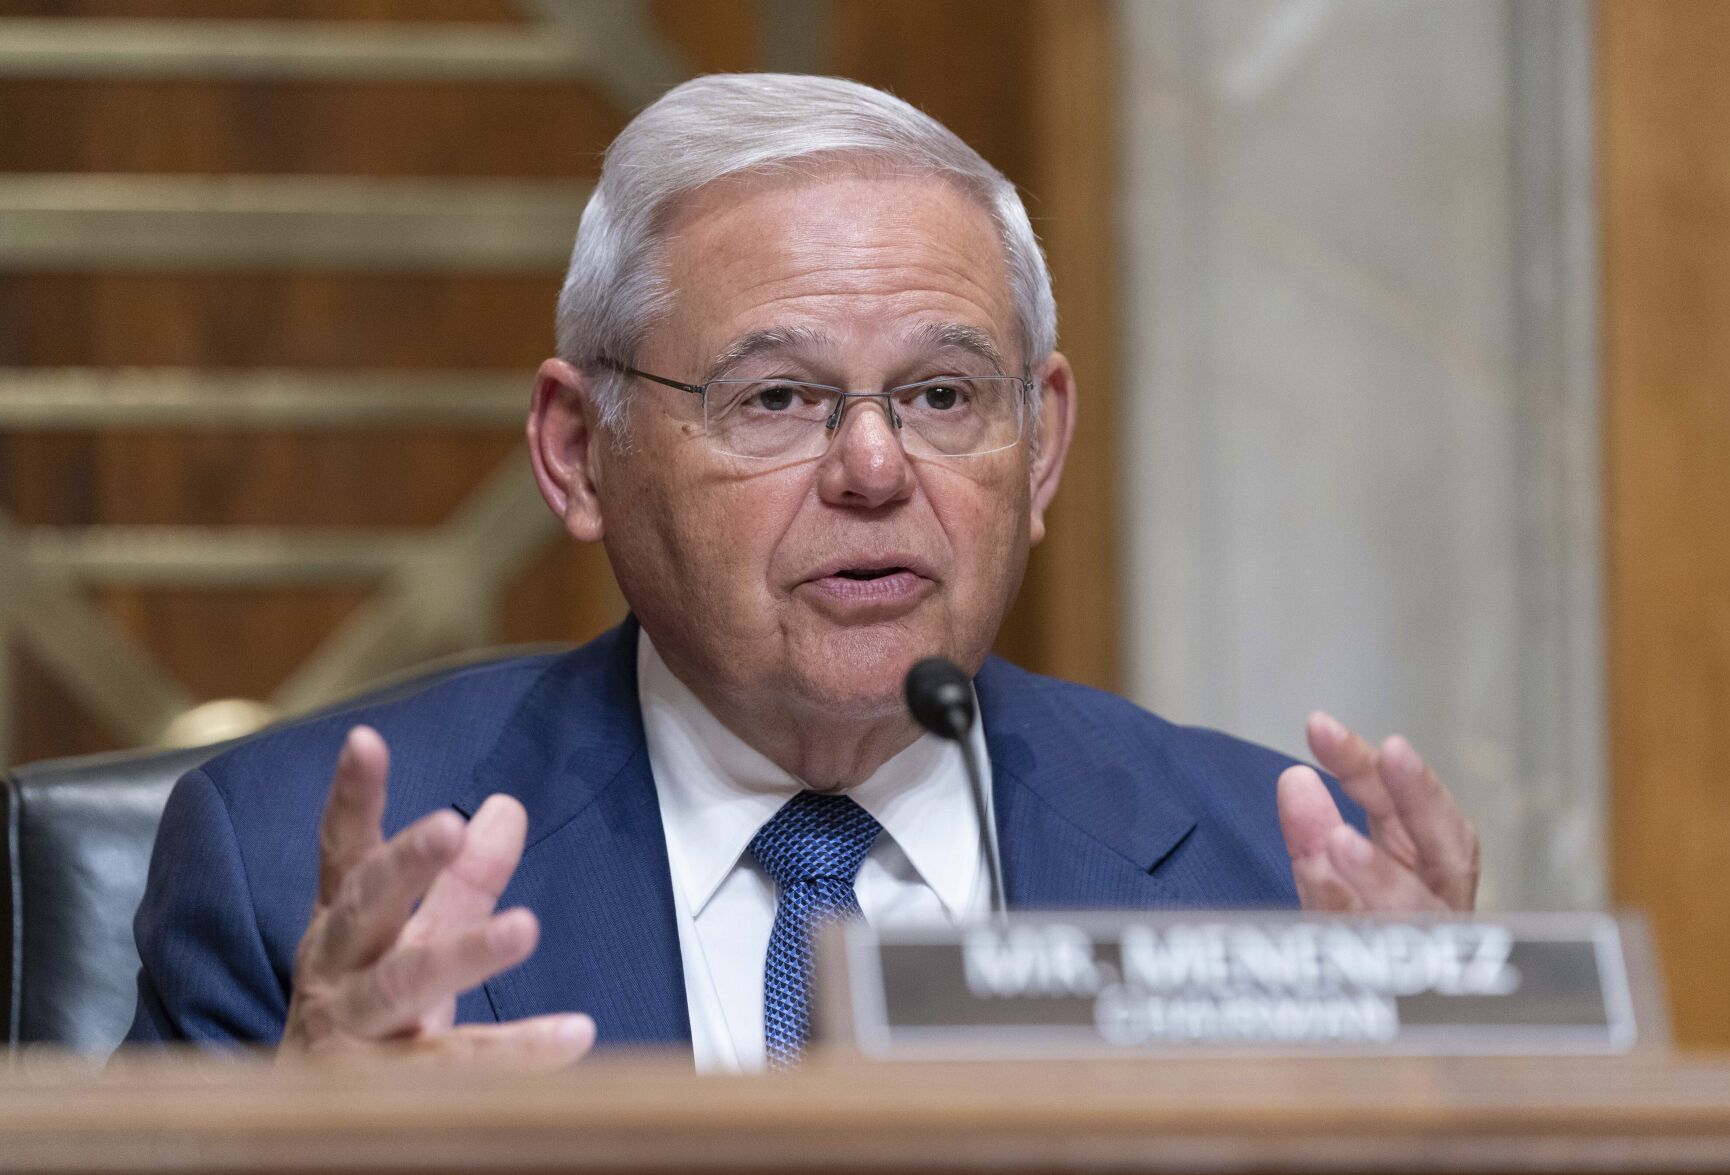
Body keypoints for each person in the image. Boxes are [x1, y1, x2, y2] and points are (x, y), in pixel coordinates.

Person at [125, 74, 1479, 1072]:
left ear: (1044, 442)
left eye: (946, 395)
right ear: (576, 454)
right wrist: (297, 1146)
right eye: (776, 399)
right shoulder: (282, 879)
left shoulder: (1275, 886)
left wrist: (1447, 1104)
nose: (877, 470)